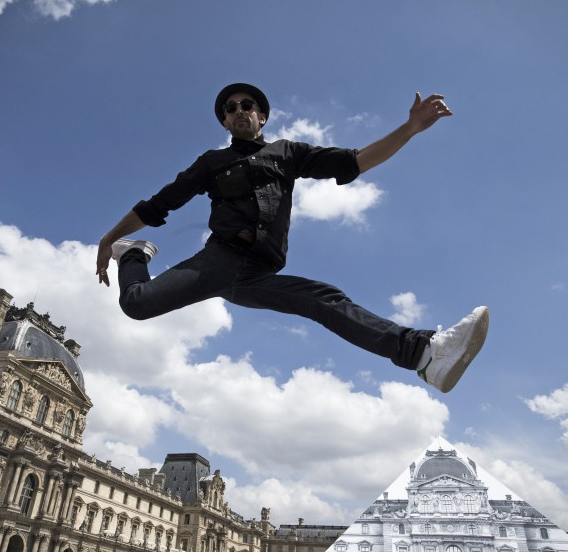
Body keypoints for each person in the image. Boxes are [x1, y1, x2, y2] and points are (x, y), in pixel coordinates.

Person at [95, 83, 489, 396]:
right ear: (225, 123)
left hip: (258, 273)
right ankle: (134, 254)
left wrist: (410, 129)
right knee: (137, 305)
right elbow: (159, 205)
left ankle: (424, 354)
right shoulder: (211, 164)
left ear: (261, 115)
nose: (239, 111)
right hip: (218, 261)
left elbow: (354, 161)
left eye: (246, 104)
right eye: (230, 109)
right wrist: (111, 238)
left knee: (323, 298)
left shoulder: (288, 153)